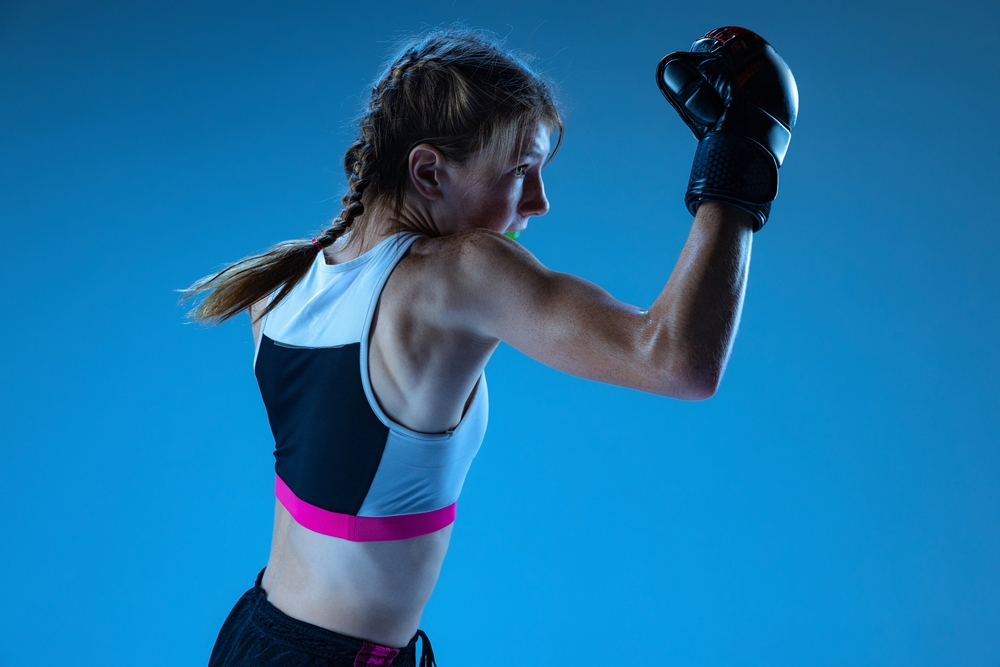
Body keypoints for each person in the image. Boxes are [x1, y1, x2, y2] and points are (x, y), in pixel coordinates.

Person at [184, 26, 797, 667]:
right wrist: (740, 155)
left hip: (253, 636)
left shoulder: (285, 283)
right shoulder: (454, 273)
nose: (538, 201)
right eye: (520, 170)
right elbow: (677, 360)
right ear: (429, 172)